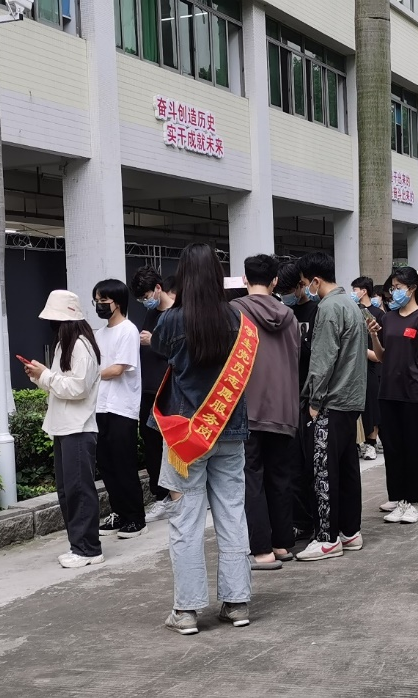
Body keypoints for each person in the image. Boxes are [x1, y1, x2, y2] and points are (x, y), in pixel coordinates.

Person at [151, 243, 255, 635]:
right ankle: (237, 603)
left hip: (185, 439)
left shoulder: (171, 321)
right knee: (232, 514)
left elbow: (160, 351)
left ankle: (187, 611)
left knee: (186, 520)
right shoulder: (238, 319)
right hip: (230, 431)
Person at [25, 290, 103, 569]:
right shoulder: (66, 344)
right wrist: (40, 376)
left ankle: (88, 549)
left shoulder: (80, 346)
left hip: (78, 428)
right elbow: (61, 384)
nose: (52, 325)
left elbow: (77, 388)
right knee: (68, 491)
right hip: (65, 426)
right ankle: (79, 546)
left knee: (78, 490)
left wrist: (45, 375)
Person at [296, 252, 367, 560]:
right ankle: (350, 532)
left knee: (323, 471)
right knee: (348, 468)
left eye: (304, 283)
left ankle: (327, 537)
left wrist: (314, 400)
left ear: (315, 280)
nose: (305, 289)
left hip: (331, 401)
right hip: (351, 400)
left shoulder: (328, 308)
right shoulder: (351, 305)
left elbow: (322, 359)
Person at [232, 255, 300, 571]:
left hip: (249, 408)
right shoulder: (290, 316)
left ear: (245, 279)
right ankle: (282, 544)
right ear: (275, 281)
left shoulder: (235, 312)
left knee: (252, 479)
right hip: (284, 409)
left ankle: (261, 551)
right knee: (280, 477)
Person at [367, 268, 418, 522]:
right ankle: (400, 499)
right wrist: (374, 335)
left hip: (413, 391)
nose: (394, 292)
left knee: (415, 448)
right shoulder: (388, 319)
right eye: (392, 287)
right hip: (388, 391)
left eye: (398, 287)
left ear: (411, 289)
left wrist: (412, 364)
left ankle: (417, 500)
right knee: (393, 449)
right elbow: (381, 356)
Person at [92, 279, 146, 539]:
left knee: (124, 464)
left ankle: (136, 518)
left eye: (104, 300)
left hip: (122, 408)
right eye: (96, 301)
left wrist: (89, 377)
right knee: (107, 464)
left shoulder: (128, 330)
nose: (99, 305)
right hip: (100, 406)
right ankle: (118, 513)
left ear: (118, 302)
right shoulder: (98, 334)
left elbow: (118, 369)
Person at [129, 266, 177, 523]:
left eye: (146, 296)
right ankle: (161, 497)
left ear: (158, 288)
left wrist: (153, 342)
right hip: (148, 389)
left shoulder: (177, 314)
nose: (145, 302)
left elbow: (183, 352)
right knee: (151, 444)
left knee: (173, 445)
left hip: (170, 389)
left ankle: (180, 495)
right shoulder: (150, 314)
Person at [276, 262, 319, 539]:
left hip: (309, 397)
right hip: (286, 396)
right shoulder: (281, 312)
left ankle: (312, 519)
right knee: (290, 463)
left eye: (289, 291)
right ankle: (299, 521)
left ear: (301, 286)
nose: (286, 297)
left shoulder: (315, 312)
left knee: (309, 463)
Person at [352, 276, 385, 461]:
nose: (353, 293)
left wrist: (366, 352)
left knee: (372, 405)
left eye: (355, 290)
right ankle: (359, 442)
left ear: (364, 291)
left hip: (373, 366)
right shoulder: (352, 310)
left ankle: (371, 443)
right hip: (354, 367)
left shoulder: (378, 314)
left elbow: (382, 346)